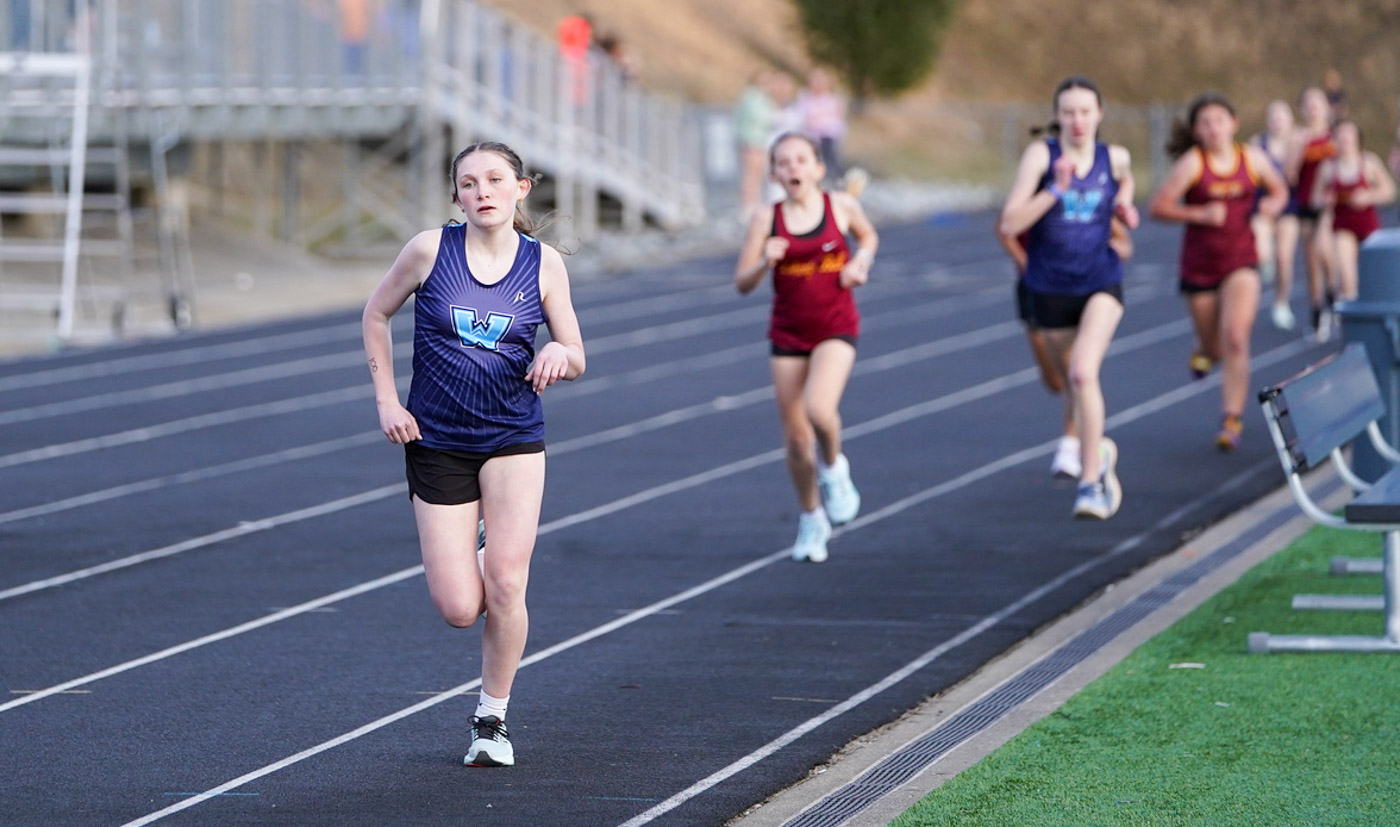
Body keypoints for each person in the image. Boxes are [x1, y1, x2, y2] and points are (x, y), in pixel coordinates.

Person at [362, 141, 586, 768]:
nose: (482, 191)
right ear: (456, 195)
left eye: (495, 179)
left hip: (513, 437)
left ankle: (492, 720)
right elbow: (375, 314)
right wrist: (387, 401)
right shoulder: (429, 251)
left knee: (507, 584)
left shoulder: (543, 265)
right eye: (468, 183)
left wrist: (558, 353)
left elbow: (576, 352)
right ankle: (481, 542)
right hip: (436, 441)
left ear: (521, 188)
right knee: (461, 608)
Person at [998, 76, 1138, 520]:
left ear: (1100, 114)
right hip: (1049, 288)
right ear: (1057, 117)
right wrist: (1055, 190)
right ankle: (1100, 452)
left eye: (1085, 112)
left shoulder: (1114, 157)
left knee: (1082, 372)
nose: (1078, 121)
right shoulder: (1041, 157)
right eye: (1068, 112)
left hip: (1100, 281)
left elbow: (1125, 180)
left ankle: (1090, 483)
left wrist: (1125, 204)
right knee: (1069, 387)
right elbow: (1009, 223)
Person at [734, 132, 878, 562]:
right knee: (797, 441)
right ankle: (812, 517)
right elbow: (742, 282)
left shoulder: (841, 206)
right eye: (783, 162)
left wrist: (859, 262)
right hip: (788, 334)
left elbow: (869, 237)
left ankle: (834, 468)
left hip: (835, 326)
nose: (793, 167)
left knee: (819, 409)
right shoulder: (766, 218)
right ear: (774, 175)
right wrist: (766, 260)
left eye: (801, 159)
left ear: (818, 169)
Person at [1149, 93, 1288, 451]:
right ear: (1196, 130)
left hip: (1241, 262)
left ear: (1233, 123)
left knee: (1236, 337)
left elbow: (1280, 190)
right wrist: (1199, 214)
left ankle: (1231, 419)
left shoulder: (1252, 159)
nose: (1213, 128)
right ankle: (1203, 349)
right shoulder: (1193, 164)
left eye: (1219, 120)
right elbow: (1159, 206)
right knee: (1214, 348)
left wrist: (1272, 205)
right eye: (1205, 123)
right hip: (1200, 268)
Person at [997, 208, 1134, 479]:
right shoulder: (1035, 196)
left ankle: (1073, 448)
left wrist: (1112, 251)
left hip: (1087, 286)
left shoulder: (1091, 198)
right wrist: (1025, 261)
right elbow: (1004, 228)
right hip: (1041, 289)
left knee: (1079, 372)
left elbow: (1124, 243)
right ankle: (1080, 446)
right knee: (1055, 381)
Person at [1312, 119, 1398, 302]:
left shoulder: (1368, 162)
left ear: (1357, 138)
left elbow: (1389, 191)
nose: (1345, 138)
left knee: (1373, 277)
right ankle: (1349, 308)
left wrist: (1369, 196)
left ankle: (1372, 310)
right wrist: (1326, 199)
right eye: (1340, 134)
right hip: (1342, 226)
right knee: (1347, 276)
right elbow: (1315, 199)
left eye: (1348, 134)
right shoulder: (1328, 167)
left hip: (1368, 226)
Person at [1285, 87, 1338, 340]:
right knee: (1310, 260)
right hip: (1306, 203)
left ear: (1327, 106)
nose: (1313, 108)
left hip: (1331, 206)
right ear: (1302, 109)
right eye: (1308, 103)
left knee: (1323, 249)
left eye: (1317, 102)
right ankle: (1317, 309)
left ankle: (1333, 293)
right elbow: (1289, 174)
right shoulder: (1298, 138)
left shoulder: (1336, 135)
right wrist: (1298, 148)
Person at [1250, 100, 1301, 331]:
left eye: (1282, 116)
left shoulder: (1297, 143)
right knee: (1261, 252)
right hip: (1264, 204)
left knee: (1284, 257)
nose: (1278, 121)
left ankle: (1281, 301)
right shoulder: (1258, 144)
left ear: (1291, 120)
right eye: (1274, 116)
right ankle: (1264, 264)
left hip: (1289, 206)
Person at [734, 70, 776, 218]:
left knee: (756, 174)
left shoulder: (754, 97)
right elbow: (763, 118)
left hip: (757, 141)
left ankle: (753, 203)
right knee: (751, 175)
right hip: (752, 141)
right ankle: (747, 205)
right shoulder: (753, 97)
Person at [799, 67, 849, 184]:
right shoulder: (805, 97)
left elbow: (836, 117)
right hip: (812, 135)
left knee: (830, 156)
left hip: (829, 135)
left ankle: (836, 178)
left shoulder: (832, 98)